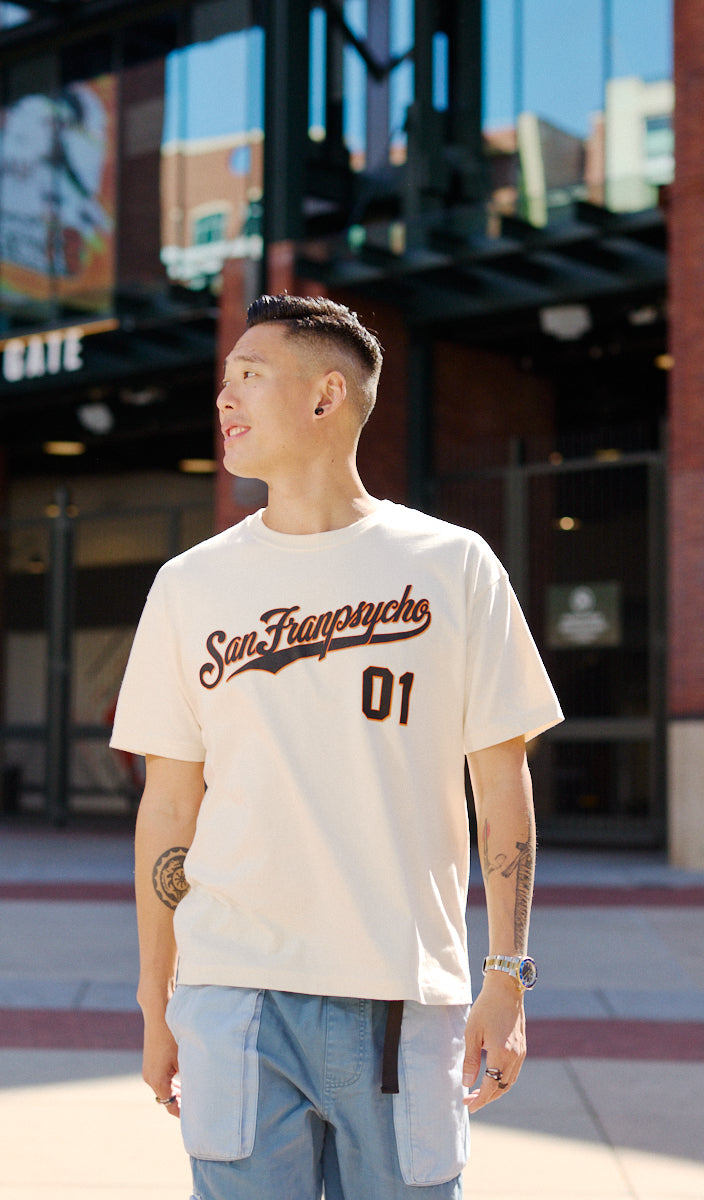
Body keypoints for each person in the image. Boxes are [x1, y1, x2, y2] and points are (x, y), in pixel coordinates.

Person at [111, 293, 563, 1200]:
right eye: (225, 379)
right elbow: (168, 807)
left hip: (403, 996)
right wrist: (156, 1001)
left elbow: (501, 787)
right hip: (233, 996)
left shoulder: (452, 564)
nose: (224, 398)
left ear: (326, 396)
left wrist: (507, 976)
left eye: (249, 376)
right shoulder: (190, 585)